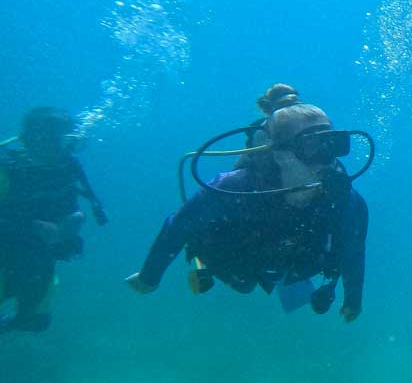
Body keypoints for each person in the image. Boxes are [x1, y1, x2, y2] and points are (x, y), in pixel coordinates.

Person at [125, 103, 368, 322]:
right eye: (313, 144)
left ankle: (285, 282)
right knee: (242, 284)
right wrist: (149, 276)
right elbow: (178, 226)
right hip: (236, 264)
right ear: (280, 154)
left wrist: (352, 300)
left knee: (295, 274)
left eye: (332, 143)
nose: (326, 158)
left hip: (293, 263)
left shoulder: (346, 200)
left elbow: (354, 249)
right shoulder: (232, 188)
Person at [0, 107, 108, 333]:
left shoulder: (68, 166)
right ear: (37, 139)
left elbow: (68, 204)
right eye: (64, 141)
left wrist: (73, 220)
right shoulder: (7, 169)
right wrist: (29, 226)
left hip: (37, 258)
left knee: (35, 319)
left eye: (73, 142)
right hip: (8, 253)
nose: (69, 149)